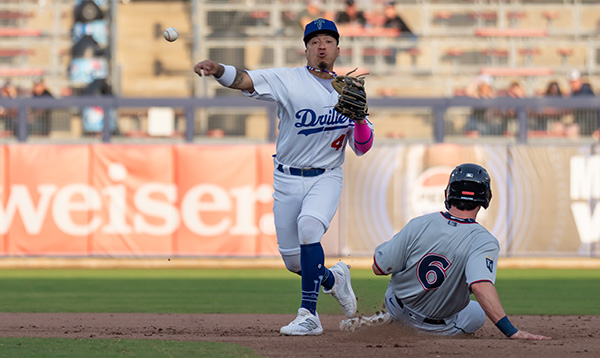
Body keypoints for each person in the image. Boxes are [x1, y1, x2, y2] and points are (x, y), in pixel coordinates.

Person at [193, 18, 374, 336]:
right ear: (305, 49)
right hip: (287, 178)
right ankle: (334, 279)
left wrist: (359, 119)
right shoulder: (288, 80)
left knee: (309, 228)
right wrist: (218, 69)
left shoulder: (349, 92)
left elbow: (362, 147)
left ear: (337, 49)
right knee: (294, 263)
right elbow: (245, 81)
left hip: (326, 176)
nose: (321, 46)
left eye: (328, 41)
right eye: (315, 41)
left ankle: (309, 315)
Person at [342, 163, 551, 340]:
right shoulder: (484, 240)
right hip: (438, 328)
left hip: (397, 307)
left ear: (449, 192)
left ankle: (390, 320)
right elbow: (480, 285)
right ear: (485, 197)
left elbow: (379, 268)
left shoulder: (419, 224)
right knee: (476, 311)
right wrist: (511, 332)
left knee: (398, 277)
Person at [567, 69, 599, 136]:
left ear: (579, 80)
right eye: (571, 82)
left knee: (572, 130)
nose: (572, 84)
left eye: (574, 82)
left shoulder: (586, 91)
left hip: (590, 125)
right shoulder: (574, 93)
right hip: (581, 123)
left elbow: (571, 107)